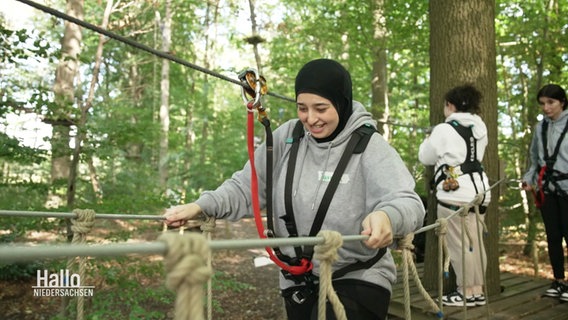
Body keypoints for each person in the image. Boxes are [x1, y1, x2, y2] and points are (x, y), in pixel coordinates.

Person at [163, 58, 425, 320]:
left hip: (358, 277)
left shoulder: (370, 147)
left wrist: (387, 215)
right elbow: (247, 187)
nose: (311, 119)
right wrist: (202, 205)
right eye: (302, 108)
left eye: (321, 108)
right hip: (297, 281)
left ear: (342, 103)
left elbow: (408, 202)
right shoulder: (288, 137)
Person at [418, 84, 491, 307]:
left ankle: (466, 292)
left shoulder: (443, 129)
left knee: (460, 245)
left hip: (455, 194)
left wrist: (429, 137)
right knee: (475, 243)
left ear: (450, 105)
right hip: (480, 191)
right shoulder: (480, 128)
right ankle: (477, 290)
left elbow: (426, 157)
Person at [521, 84, 568, 301]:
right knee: (553, 237)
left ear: (562, 102)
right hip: (547, 189)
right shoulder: (540, 128)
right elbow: (534, 159)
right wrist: (529, 180)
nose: (546, 108)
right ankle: (559, 281)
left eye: (551, 102)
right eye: (543, 103)